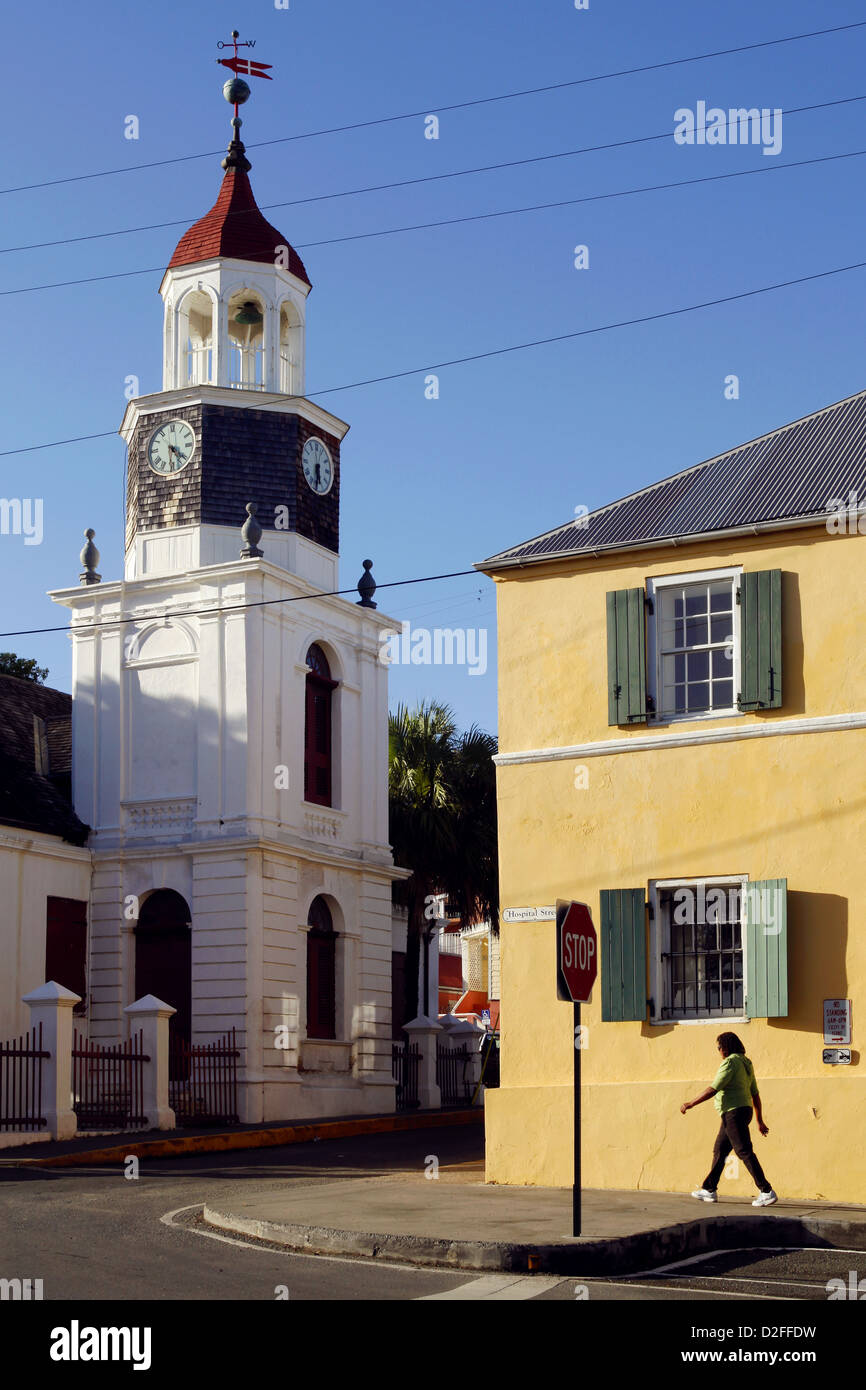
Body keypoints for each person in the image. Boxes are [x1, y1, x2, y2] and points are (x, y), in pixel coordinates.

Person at [680, 1031, 777, 1207]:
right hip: (741, 1111)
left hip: (733, 1113)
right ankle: (709, 1189)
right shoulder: (746, 1063)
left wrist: (690, 1103)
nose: (719, 1051)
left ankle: (766, 1190)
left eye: (719, 1047)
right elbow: (754, 1094)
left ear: (725, 1047)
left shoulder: (731, 1062)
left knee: (743, 1150)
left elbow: (713, 1088)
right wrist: (759, 1120)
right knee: (720, 1149)